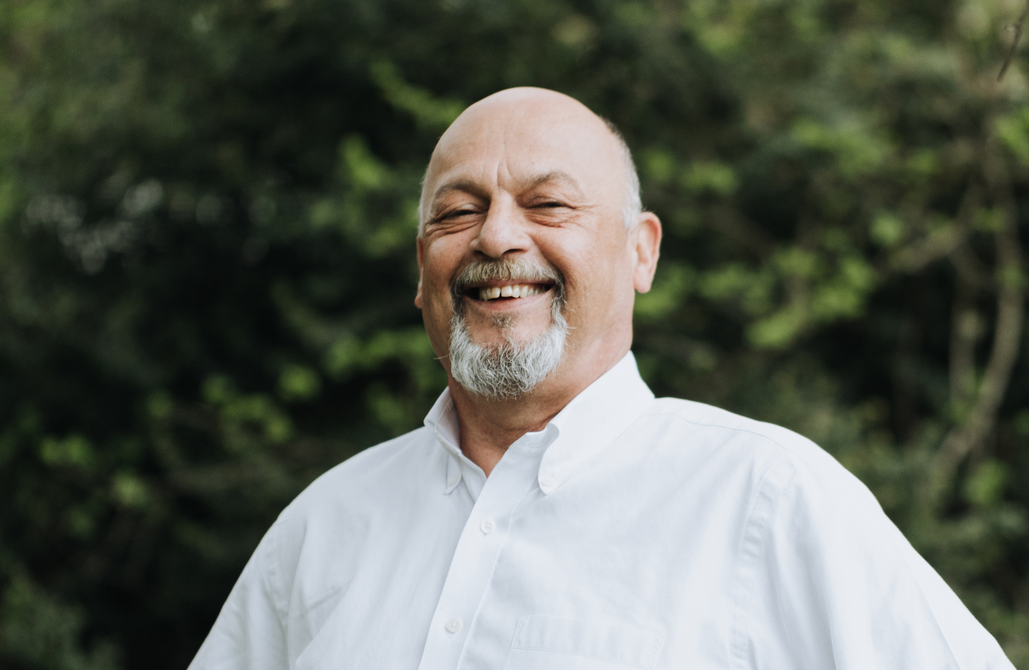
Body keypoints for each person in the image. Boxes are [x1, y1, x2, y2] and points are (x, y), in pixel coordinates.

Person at [188, 88, 1014, 669]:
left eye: (548, 205)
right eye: (456, 211)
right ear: (421, 269)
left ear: (640, 251)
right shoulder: (322, 528)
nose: (496, 237)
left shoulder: (769, 497)